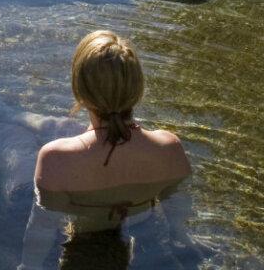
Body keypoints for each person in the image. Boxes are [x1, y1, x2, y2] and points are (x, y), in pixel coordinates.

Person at [19, 30, 193, 269]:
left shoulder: (55, 158)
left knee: (12, 134)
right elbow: (178, 204)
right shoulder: (169, 148)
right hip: (141, 228)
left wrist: (28, 266)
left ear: (79, 91)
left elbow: (41, 228)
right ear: (138, 89)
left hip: (82, 243)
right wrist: (181, 236)